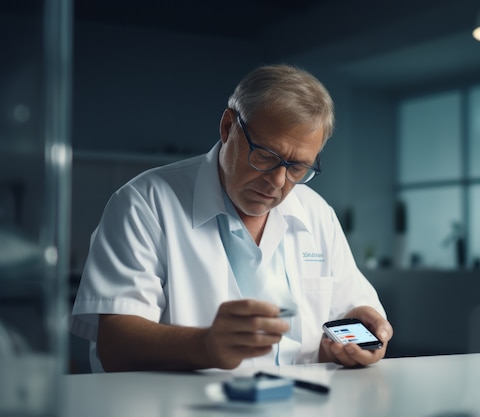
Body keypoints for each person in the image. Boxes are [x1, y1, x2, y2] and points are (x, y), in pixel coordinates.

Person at [70, 64, 393, 372]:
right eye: (266, 156)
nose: (278, 182)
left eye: (297, 167)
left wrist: (360, 330)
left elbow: (348, 314)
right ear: (228, 127)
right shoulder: (144, 202)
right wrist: (205, 346)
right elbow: (115, 346)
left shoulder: (317, 212)